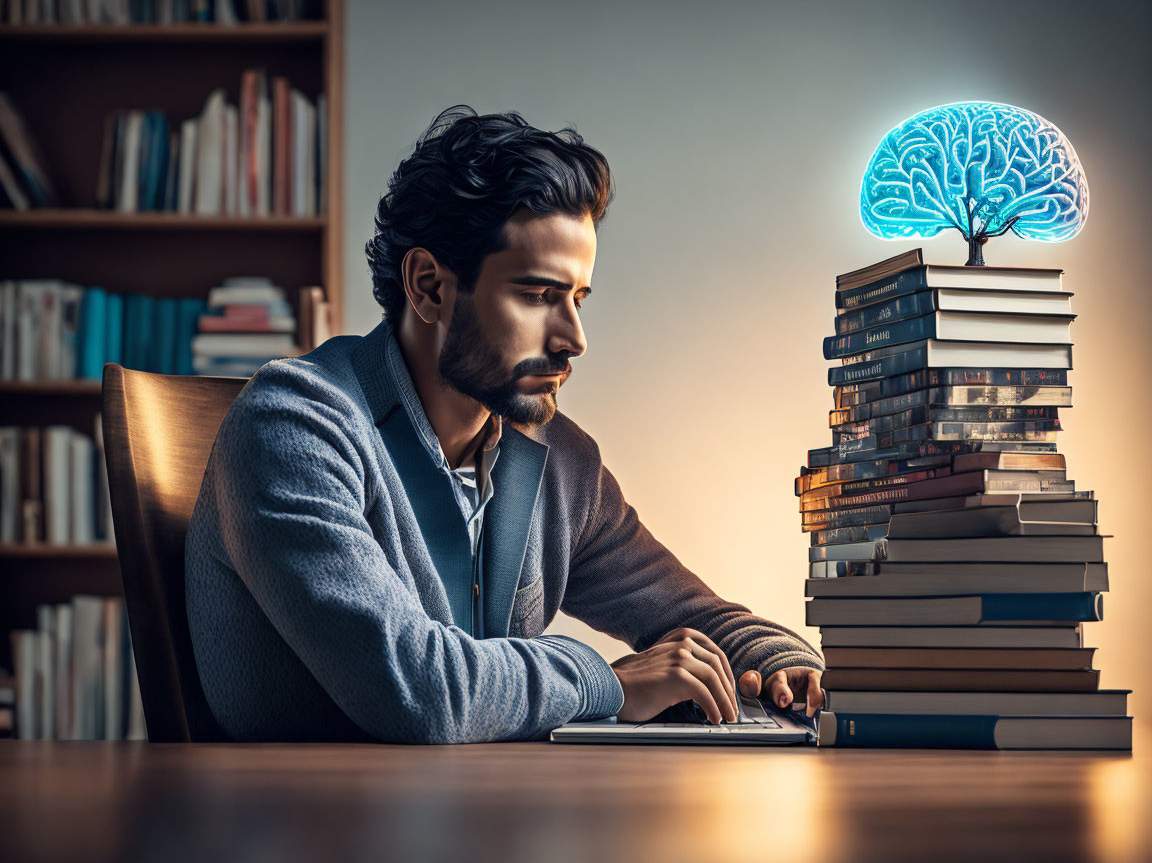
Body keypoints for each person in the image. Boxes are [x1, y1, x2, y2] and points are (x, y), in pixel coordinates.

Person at [185, 105, 824, 743]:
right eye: (538, 296)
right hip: (310, 829)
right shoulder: (292, 428)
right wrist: (607, 681)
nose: (574, 338)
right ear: (430, 286)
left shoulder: (560, 461)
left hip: (484, 818)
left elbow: (687, 617)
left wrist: (776, 662)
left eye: (578, 299)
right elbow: (419, 690)